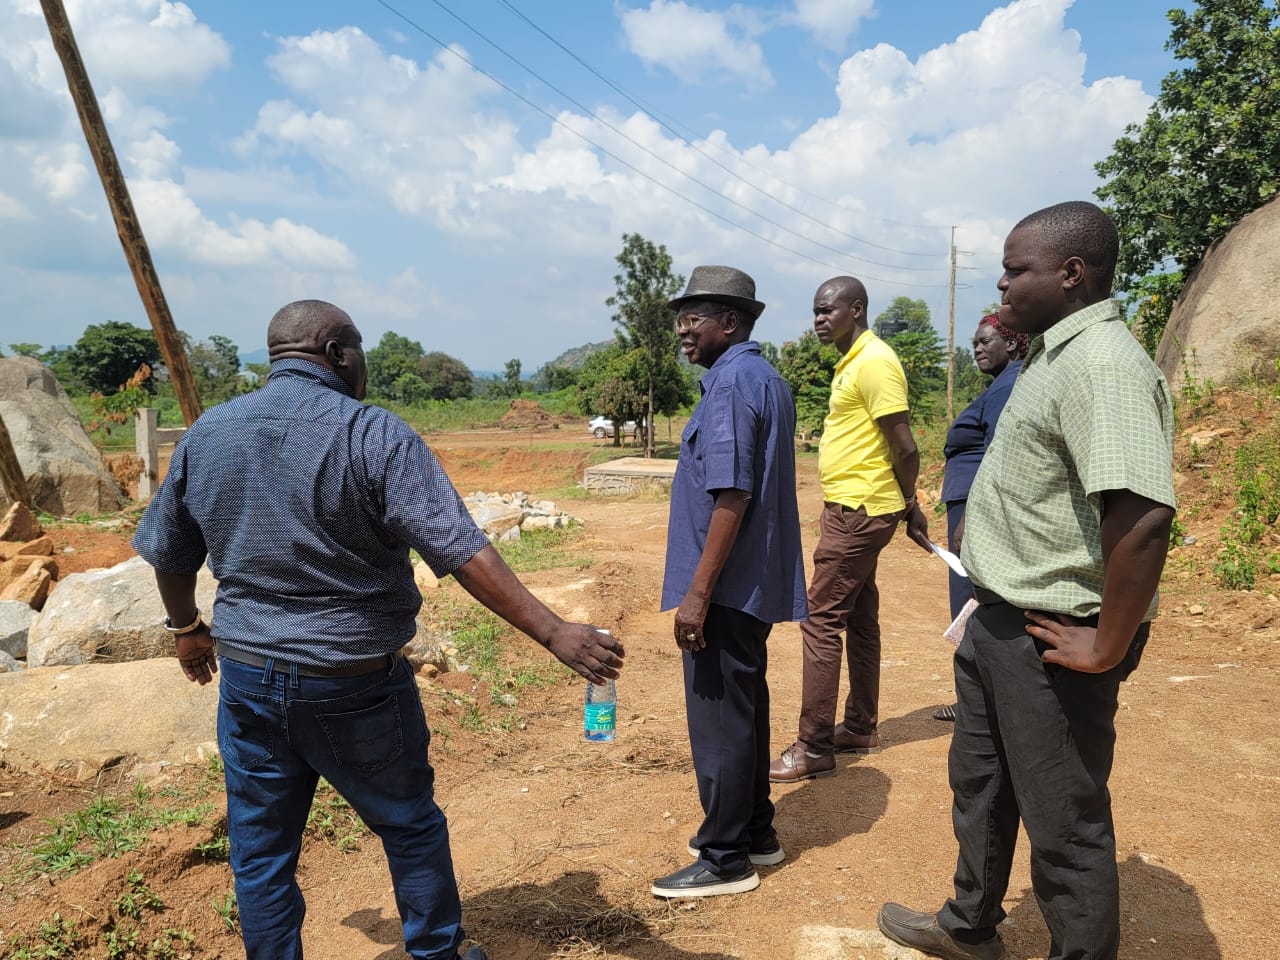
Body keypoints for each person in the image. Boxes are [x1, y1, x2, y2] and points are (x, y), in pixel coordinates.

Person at [131, 300, 625, 960]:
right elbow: (459, 547)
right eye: (360, 351)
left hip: (248, 678)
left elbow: (169, 552)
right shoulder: (373, 434)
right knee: (409, 826)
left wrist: (187, 627)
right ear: (339, 354)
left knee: (260, 851)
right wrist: (553, 630)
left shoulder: (209, 434)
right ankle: (438, 953)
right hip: (352, 684)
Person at [877, 201, 1176, 960]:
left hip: (1052, 634)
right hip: (998, 616)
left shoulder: (1103, 365)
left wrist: (1106, 644)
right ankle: (968, 927)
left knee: (1064, 820)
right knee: (981, 783)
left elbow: (1141, 517)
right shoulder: (1050, 353)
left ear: (1071, 273)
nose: (1002, 284)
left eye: (1015, 270)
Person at [652, 266, 808, 898]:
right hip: (749, 584)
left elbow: (732, 492)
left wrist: (698, 595)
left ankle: (724, 858)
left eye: (694, 319)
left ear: (731, 321)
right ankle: (755, 831)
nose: (683, 331)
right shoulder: (762, 378)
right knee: (744, 707)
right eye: (681, 319)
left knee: (719, 717)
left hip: (724, 588)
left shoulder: (732, 384)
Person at [768, 276, 930, 784]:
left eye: (827, 310)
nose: (819, 320)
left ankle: (813, 746)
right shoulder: (852, 361)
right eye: (815, 312)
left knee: (820, 621)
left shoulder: (875, 361)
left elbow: (905, 446)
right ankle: (860, 726)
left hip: (859, 511)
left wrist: (909, 501)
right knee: (859, 616)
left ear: (856, 309)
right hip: (856, 507)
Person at [932, 313, 1028, 722]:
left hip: (976, 510)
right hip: (969, 506)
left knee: (973, 604)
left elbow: (997, 453)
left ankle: (981, 706)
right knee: (970, 604)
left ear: (1013, 344)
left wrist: (971, 515)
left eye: (986, 341)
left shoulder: (1009, 385)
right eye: (974, 343)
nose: (977, 349)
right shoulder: (1000, 385)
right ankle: (979, 701)